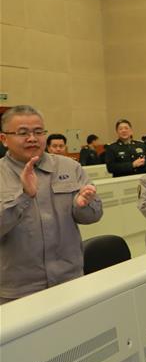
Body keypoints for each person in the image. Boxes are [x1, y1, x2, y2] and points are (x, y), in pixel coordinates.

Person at [0, 105, 103, 303]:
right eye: (23, 133)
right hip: (19, 288)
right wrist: (23, 196)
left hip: (70, 279)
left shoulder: (69, 166)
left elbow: (94, 216)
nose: (32, 138)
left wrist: (83, 206)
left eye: (38, 132)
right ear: (4, 139)